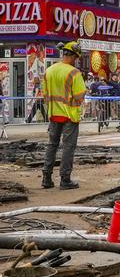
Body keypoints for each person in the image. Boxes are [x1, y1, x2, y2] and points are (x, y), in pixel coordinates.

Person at [42, 41, 86, 190]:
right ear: (73, 56)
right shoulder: (74, 73)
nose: (76, 60)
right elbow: (79, 97)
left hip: (54, 114)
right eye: (76, 57)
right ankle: (65, 179)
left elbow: (45, 95)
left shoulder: (49, 71)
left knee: (51, 145)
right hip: (70, 116)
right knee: (68, 147)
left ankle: (46, 178)